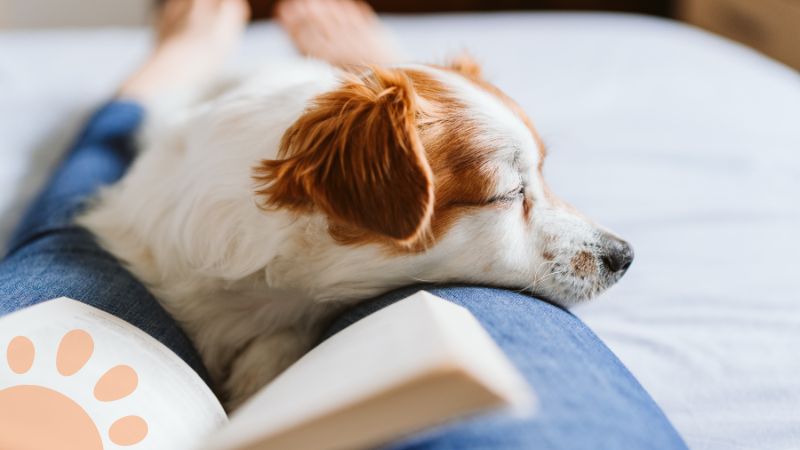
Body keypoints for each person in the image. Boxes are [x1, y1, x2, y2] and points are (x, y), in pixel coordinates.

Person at [0, 0, 687, 448]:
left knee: (63, 251)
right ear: (364, 193)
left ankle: (182, 72)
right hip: (210, 165)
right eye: (513, 193)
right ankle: (158, 87)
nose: (588, 233)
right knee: (93, 203)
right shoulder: (348, 186)